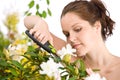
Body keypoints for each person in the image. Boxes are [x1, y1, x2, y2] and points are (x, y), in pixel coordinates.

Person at [24, 0, 120, 80]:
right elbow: (28, 21)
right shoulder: (71, 59)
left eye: (78, 29)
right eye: (67, 34)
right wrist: (42, 23)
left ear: (97, 26)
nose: (71, 39)